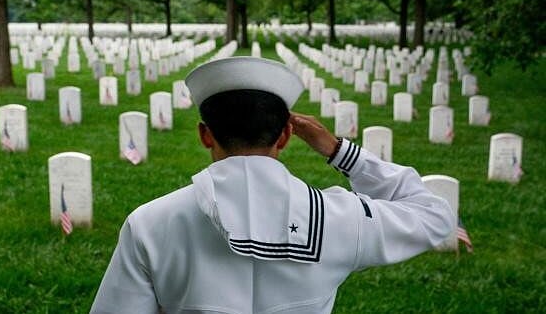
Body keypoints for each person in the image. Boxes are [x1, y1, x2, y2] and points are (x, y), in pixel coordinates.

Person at [90, 57, 455, 314]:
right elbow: (435, 214)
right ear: (285, 136)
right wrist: (337, 150)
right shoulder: (340, 219)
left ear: (205, 135)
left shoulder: (150, 223)